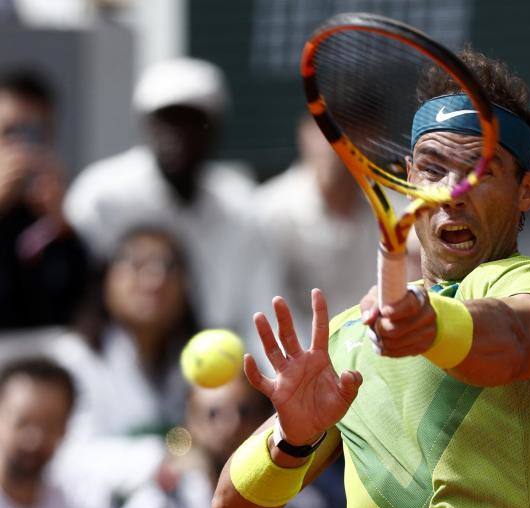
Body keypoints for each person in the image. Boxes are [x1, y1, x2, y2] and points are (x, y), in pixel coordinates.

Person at [213, 50, 530, 508]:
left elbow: (510, 341)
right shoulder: (350, 337)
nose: (451, 194)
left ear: (526, 190)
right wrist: (294, 440)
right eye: (433, 169)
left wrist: (428, 325)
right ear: (407, 180)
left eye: (480, 172)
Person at [64, 57, 274, 333]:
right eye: (168, 120)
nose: (179, 136)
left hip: (219, 362)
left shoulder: (241, 202)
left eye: (193, 122)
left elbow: (261, 303)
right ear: (146, 126)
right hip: (116, 357)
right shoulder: (100, 194)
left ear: (215, 129)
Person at [113, 374, 343, 508]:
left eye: (245, 411)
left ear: (266, 421)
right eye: (213, 413)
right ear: (189, 424)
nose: (231, 424)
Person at [49, 226, 198, 508]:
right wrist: (162, 460)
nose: (155, 279)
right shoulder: (72, 359)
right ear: (106, 277)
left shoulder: (192, 360)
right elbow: (64, 460)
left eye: (168, 266)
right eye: (136, 263)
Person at [254, 115, 379, 345]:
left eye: (353, 130)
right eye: (328, 129)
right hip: (299, 368)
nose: (338, 143)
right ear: (304, 134)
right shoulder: (266, 213)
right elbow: (260, 312)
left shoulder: (395, 211)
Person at [0, 356, 110, 508]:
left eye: (49, 425)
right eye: (22, 422)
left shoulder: (84, 507)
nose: (33, 439)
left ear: (65, 429)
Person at [0, 68, 89, 329]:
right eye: (9, 132)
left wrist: (62, 227)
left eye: (34, 134)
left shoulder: (65, 212)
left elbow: (79, 302)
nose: (22, 147)